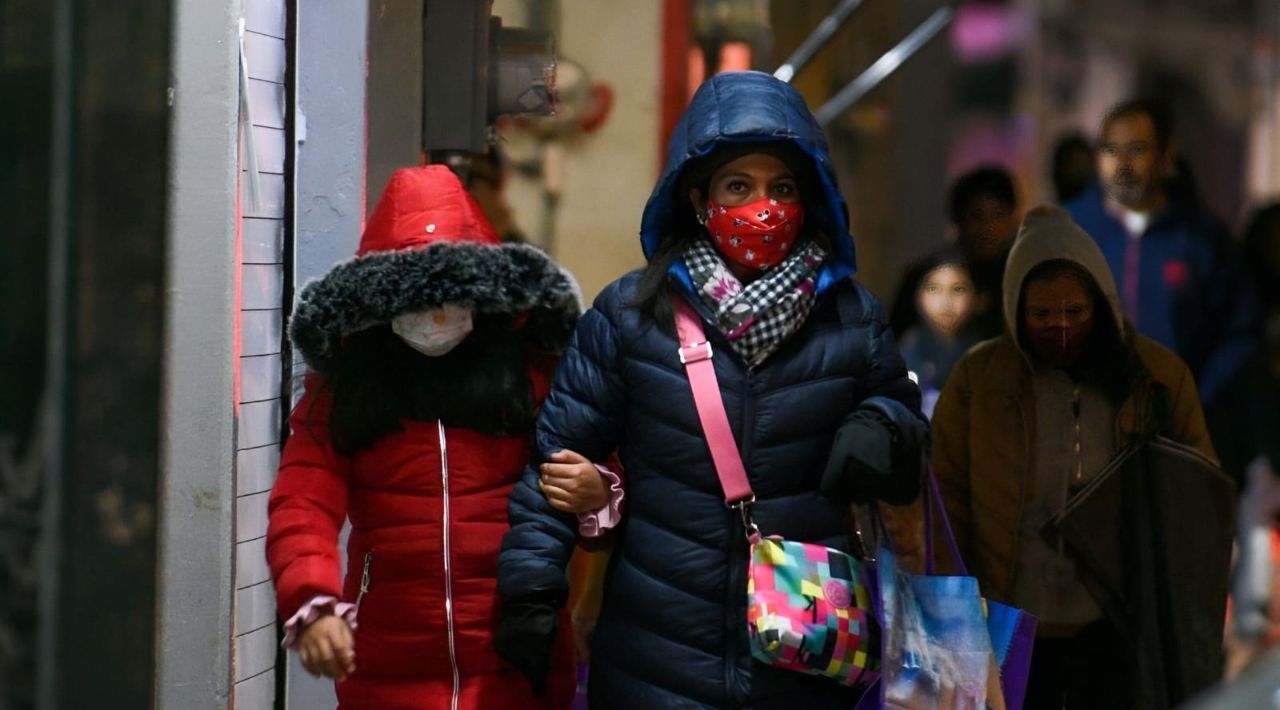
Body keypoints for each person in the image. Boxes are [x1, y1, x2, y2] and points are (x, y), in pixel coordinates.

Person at [493, 70, 928, 709]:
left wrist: (883, 426)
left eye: (782, 187)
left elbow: (907, 427)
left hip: (803, 660)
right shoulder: (630, 317)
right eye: (738, 186)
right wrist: (531, 588)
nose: (763, 206)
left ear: (809, 198)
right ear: (698, 198)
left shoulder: (850, 318)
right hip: (656, 661)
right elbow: (558, 460)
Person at [265, 166, 582, 708]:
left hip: (516, 656)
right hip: (386, 662)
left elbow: (597, 464)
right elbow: (303, 502)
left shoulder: (531, 380)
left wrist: (597, 488)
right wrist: (312, 600)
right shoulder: (345, 395)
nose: (433, 316)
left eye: (450, 295)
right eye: (413, 301)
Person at [914, 205, 1217, 708]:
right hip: (1006, 624)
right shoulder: (979, 380)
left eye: (1075, 312)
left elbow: (1199, 498)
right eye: (1042, 314)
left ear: (1101, 302)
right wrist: (955, 616)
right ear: (1015, 310)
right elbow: (946, 503)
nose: (1060, 326)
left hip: (1120, 626)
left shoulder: (1157, 378)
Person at [1064, 98, 1255, 407]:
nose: (1122, 164)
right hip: (1084, 419)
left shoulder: (1201, 240)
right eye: (1110, 150)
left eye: (1137, 150)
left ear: (1166, 158)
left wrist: (1195, 399)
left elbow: (1238, 330)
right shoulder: (1070, 230)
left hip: (1174, 419)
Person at [888, 166, 1019, 341]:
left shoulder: (1020, 277)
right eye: (977, 216)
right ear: (958, 219)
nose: (988, 228)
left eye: (998, 215)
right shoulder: (928, 274)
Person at [897, 248, 981, 417]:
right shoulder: (901, 354)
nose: (945, 302)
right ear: (917, 295)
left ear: (977, 298)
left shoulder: (986, 358)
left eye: (958, 289)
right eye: (933, 289)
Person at [1050, 132, 1095, 204]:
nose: (1080, 168)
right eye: (1075, 163)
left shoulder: (1102, 198)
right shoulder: (1065, 208)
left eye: (1083, 162)